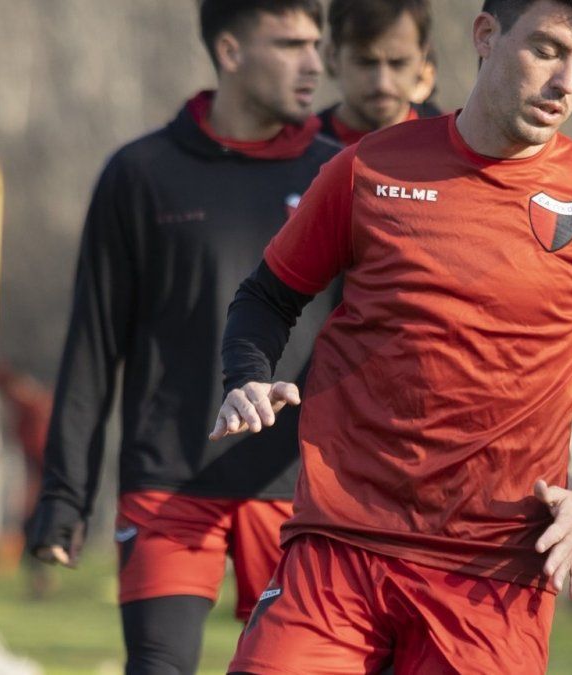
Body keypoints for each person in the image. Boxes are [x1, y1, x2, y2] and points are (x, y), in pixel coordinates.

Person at [212, 0, 572, 672]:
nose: (566, 81)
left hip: (492, 572)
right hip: (340, 548)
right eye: (547, 50)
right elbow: (267, 295)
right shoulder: (369, 170)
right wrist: (246, 374)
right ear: (486, 36)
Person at [25, 1, 340, 672]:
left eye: (317, 44)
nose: (314, 62)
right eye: (289, 44)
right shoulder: (139, 174)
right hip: (167, 477)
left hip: (300, 489)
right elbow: (93, 343)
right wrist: (63, 496)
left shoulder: (340, 173)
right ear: (230, 52)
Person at [318, 0, 440, 146]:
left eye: (398, 63)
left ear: (423, 58)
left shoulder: (453, 145)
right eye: (366, 62)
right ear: (332, 56)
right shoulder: (298, 151)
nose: (382, 84)